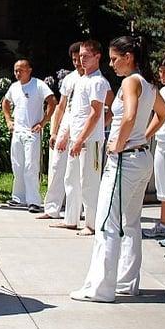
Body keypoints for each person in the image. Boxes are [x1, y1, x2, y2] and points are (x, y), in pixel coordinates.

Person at [70, 36, 165, 303]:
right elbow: (163, 112)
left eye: (114, 58)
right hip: (141, 158)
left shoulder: (130, 82)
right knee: (131, 223)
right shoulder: (149, 84)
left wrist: (120, 144)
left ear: (128, 57)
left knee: (106, 223)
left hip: (124, 160)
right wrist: (142, 138)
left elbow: (129, 116)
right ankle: (127, 282)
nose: (111, 64)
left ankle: (101, 288)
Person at [52, 40, 113, 236]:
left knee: (89, 183)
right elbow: (74, 112)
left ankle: (92, 223)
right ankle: (71, 219)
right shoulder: (80, 81)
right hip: (75, 139)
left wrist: (81, 140)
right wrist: (67, 135)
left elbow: (96, 114)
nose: (81, 59)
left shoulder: (98, 82)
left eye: (86, 56)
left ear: (97, 57)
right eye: (80, 56)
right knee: (71, 179)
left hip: (90, 142)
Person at [2, 59, 56, 213]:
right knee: (17, 165)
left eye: (21, 70)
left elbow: (52, 101)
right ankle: (19, 198)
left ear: (29, 70)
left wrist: (43, 122)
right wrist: (8, 120)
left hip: (32, 133)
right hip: (17, 132)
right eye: (16, 70)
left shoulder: (38, 85)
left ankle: (34, 201)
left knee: (31, 166)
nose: (18, 73)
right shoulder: (14, 87)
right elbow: (5, 102)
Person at [38, 42, 83, 220]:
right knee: (56, 168)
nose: (77, 63)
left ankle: (74, 212)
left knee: (74, 174)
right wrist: (54, 132)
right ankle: (51, 208)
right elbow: (60, 106)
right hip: (64, 127)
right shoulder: (70, 78)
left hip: (79, 130)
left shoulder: (93, 79)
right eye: (74, 60)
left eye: (79, 59)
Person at [149, 56, 165, 245]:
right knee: (163, 187)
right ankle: (164, 224)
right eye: (160, 71)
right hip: (161, 142)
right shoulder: (162, 91)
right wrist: (146, 135)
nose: (161, 75)